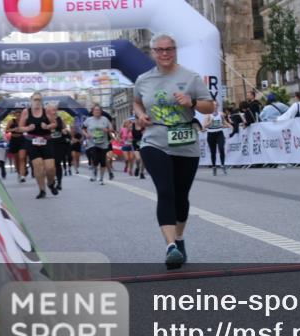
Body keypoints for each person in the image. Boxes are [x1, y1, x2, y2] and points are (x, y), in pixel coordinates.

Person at [133, 32, 214, 269]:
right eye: (160, 50)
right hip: (154, 140)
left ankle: (179, 239)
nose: (165, 54)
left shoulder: (190, 77)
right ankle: (170, 247)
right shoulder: (143, 79)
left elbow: (210, 105)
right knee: (165, 191)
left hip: (185, 142)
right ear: (153, 53)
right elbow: (137, 101)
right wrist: (140, 115)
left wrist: (192, 102)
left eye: (169, 49)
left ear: (175, 50)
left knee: (181, 196)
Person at [18, 93, 58, 199]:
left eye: (39, 100)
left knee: (50, 168)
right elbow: (20, 127)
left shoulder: (47, 111)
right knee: (38, 166)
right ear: (31, 100)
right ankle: (42, 190)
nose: (37, 102)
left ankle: (50, 183)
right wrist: (27, 128)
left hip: (46, 140)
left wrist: (47, 126)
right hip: (32, 141)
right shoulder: (26, 112)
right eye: (35, 99)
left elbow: (55, 124)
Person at [83, 104, 114, 184]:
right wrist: (86, 134)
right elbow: (83, 128)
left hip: (103, 143)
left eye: (98, 110)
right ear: (93, 112)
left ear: (101, 111)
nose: (97, 111)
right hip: (93, 143)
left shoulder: (105, 119)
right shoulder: (88, 120)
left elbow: (111, 129)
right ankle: (94, 173)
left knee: (103, 161)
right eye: (95, 110)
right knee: (95, 159)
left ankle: (101, 178)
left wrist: (107, 130)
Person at [202, 101, 231, 176]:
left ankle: (223, 165)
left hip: (219, 133)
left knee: (221, 148)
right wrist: (210, 122)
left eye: (216, 105)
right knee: (213, 152)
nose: (215, 107)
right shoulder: (208, 115)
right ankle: (214, 166)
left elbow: (224, 122)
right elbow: (204, 126)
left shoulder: (221, 114)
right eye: (214, 105)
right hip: (211, 134)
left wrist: (229, 125)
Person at [46, 104, 68, 192]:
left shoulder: (59, 119)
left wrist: (64, 130)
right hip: (48, 143)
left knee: (58, 163)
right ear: (47, 111)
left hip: (59, 143)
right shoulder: (45, 119)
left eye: (55, 110)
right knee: (50, 165)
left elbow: (64, 127)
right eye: (52, 110)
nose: (54, 111)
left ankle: (59, 182)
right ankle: (52, 180)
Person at [7, 117, 27, 182]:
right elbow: (6, 130)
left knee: (22, 158)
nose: (18, 114)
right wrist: (13, 129)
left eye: (19, 113)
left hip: (22, 139)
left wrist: (22, 129)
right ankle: (19, 172)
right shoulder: (12, 121)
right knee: (16, 159)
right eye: (17, 113)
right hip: (14, 140)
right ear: (15, 114)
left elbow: (28, 129)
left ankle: (22, 176)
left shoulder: (24, 121)